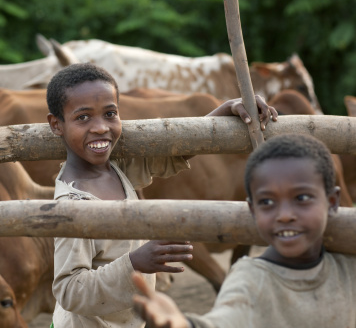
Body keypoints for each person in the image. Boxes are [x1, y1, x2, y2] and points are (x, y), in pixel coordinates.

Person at [46, 62, 277, 328]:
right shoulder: (72, 206)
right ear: (56, 124)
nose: (100, 127)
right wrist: (134, 262)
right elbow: (68, 290)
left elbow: (171, 156)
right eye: (83, 117)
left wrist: (223, 110)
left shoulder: (114, 169)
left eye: (110, 114)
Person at [132, 133, 356, 328]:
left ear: (332, 201)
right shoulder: (250, 279)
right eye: (267, 202)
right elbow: (224, 321)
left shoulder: (347, 265)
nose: (285, 214)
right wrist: (186, 325)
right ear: (252, 209)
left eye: (302, 198)